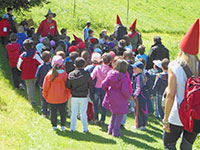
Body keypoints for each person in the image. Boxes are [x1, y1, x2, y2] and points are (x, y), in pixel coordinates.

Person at [163, 19, 199, 150]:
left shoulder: (174, 65)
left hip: (177, 114)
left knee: (169, 144)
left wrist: (166, 119)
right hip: (195, 115)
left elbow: (171, 94)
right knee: (187, 146)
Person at [102, 59, 131, 137]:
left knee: (114, 114)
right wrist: (128, 96)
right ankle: (116, 132)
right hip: (120, 97)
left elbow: (103, 84)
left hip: (111, 95)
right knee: (119, 115)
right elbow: (124, 90)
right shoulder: (123, 76)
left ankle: (110, 130)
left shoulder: (110, 73)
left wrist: (108, 89)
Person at [43, 55, 70, 131]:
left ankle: (54, 125)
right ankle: (63, 126)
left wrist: (45, 96)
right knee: (62, 112)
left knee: (53, 112)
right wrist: (68, 95)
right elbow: (67, 86)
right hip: (62, 97)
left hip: (52, 97)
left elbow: (45, 87)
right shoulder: (64, 74)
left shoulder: (49, 74)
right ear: (62, 64)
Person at [66, 57, 93, 132]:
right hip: (83, 96)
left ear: (75, 65)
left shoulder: (71, 74)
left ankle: (72, 128)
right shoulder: (87, 74)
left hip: (74, 96)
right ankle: (85, 128)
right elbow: (90, 85)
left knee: (73, 113)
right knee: (83, 113)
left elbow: (68, 85)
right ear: (84, 65)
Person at [17, 39, 43, 105]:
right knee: (38, 86)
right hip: (35, 73)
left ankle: (32, 101)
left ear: (24, 47)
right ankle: (42, 100)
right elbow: (41, 63)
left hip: (26, 74)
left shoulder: (22, 56)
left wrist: (22, 70)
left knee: (29, 87)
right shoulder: (35, 54)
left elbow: (18, 66)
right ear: (32, 46)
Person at [91, 53, 112, 125]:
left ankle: (96, 119)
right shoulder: (110, 70)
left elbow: (92, 77)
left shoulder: (97, 67)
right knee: (104, 105)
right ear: (110, 62)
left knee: (95, 104)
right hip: (105, 89)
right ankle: (103, 119)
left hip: (97, 87)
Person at [132, 61, 150, 130]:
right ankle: (142, 125)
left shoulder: (138, 76)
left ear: (140, 69)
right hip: (143, 95)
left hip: (139, 96)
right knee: (142, 109)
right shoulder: (143, 75)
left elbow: (138, 87)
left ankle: (139, 125)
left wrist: (134, 95)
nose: (133, 69)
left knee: (138, 110)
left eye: (135, 68)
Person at [36, 51, 52, 117]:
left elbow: (37, 75)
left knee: (43, 99)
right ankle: (51, 111)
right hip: (51, 85)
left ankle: (44, 112)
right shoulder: (52, 67)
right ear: (50, 58)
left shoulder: (40, 67)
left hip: (42, 85)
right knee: (51, 99)